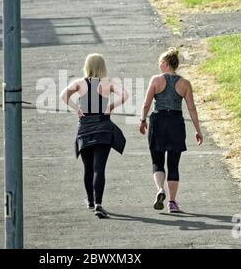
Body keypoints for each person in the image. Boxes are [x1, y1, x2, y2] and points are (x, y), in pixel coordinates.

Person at [60, 53, 128, 219]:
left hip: (85, 128)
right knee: (99, 168)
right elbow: (125, 95)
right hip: (103, 128)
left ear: (87, 66)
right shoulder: (108, 83)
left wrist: (77, 108)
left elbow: (63, 96)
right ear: (102, 66)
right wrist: (111, 105)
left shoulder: (80, 83)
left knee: (88, 168)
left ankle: (90, 200)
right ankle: (98, 203)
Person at [139, 47, 203, 213]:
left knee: (157, 162)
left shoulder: (156, 80)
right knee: (173, 164)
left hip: (158, 121)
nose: (159, 65)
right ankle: (172, 202)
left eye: (160, 62)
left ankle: (160, 189)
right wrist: (198, 130)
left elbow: (146, 104)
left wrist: (143, 120)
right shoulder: (184, 83)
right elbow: (192, 108)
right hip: (176, 122)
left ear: (166, 64)